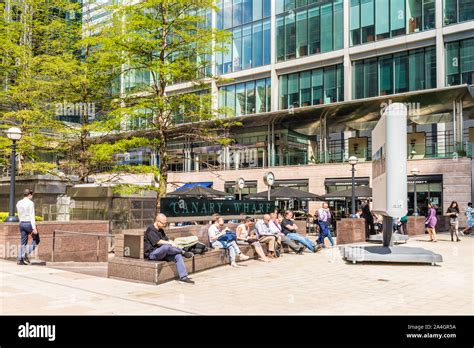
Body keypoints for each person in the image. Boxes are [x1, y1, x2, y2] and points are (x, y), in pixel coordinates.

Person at [144, 213, 195, 284]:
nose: (164, 225)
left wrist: (174, 243)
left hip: (163, 253)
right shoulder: (150, 229)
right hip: (153, 254)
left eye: (165, 223)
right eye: (163, 223)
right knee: (167, 246)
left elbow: (167, 240)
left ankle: (183, 277)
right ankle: (182, 252)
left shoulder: (161, 230)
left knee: (178, 256)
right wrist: (170, 243)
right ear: (157, 221)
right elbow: (158, 241)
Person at [16, 189, 39, 265]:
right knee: (36, 239)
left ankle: (20, 260)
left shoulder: (19, 203)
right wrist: (34, 228)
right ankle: (26, 253)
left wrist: (20, 222)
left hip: (22, 223)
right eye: (31, 195)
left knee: (23, 242)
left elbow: (19, 214)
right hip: (29, 223)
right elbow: (32, 215)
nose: (32, 197)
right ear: (29, 195)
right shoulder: (30, 203)